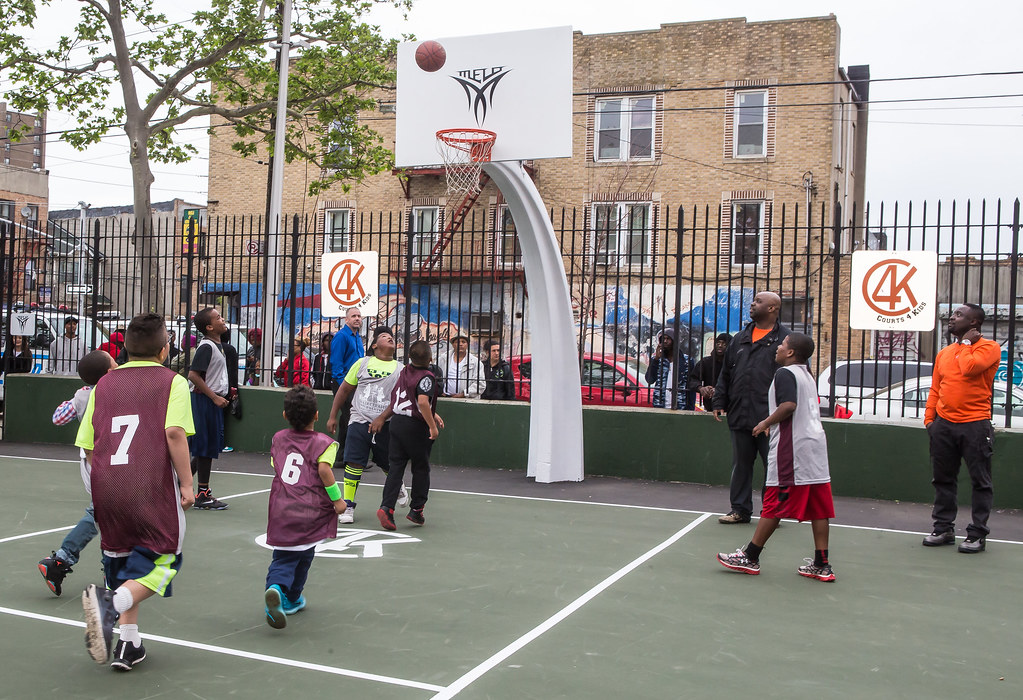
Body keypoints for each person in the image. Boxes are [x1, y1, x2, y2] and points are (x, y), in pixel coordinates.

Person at [75, 313, 195, 670]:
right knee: (166, 558)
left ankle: (129, 644)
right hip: (148, 485)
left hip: (106, 483)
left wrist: (104, 485)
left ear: (125, 347)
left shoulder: (103, 385)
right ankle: (113, 603)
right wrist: (187, 484)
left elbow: (88, 445)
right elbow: (174, 433)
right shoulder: (172, 382)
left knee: (126, 560)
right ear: (164, 349)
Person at [716, 333, 836, 581]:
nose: (778, 347)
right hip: (815, 447)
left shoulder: (785, 373)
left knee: (773, 503)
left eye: (782, 345)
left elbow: (789, 405)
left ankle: (750, 556)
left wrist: (765, 422)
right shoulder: (807, 374)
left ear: (790, 353)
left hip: (793, 449)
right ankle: (822, 564)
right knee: (819, 506)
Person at [263, 385, 346, 629]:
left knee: (284, 555)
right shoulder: (324, 443)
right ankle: (287, 594)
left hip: (282, 508)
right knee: (304, 553)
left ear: (285, 415)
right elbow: (324, 470)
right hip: (310, 511)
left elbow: (276, 466)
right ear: (317, 415)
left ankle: (279, 589)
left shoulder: (278, 439)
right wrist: (338, 500)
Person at [38, 350, 118, 596]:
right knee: (106, 515)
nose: (118, 364)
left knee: (105, 513)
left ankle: (62, 562)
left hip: (91, 461)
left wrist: (76, 399)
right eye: (115, 363)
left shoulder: (83, 395)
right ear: (107, 373)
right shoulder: (114, 393)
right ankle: (75, 564)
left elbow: (58, 418)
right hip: (103, 460)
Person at [922, 303, 1001, 553]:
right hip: (943, 425)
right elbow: (936, 388)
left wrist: (967, 344)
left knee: (980, 481)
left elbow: (969, 369)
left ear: (974, 323)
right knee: (943, 479)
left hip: (975, 425)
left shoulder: (989, 348)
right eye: (953, 314)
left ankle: (977, 534)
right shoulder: (944, 353)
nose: (951, 318)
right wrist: (929, 421)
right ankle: (943, 528)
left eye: (959, 315)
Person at [712, 291, 791, 524]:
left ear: (772, 308)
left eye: (758, 301)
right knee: (741, 464)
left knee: (773, 467)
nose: (752, 304)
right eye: (753, 300)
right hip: (740, 413)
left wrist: (775, 416)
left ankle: (772, 512)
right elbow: (725, 374)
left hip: (770, 417)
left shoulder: (785, 340)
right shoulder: (740, 337)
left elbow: (793, 376)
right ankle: (739, 509)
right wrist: (719, 401)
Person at [325, 326, 409, 524]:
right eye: (383, 336)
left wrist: (381, 418)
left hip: (385, 424)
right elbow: (344, 390)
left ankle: (397, 486)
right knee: (354, 463)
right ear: (374, 345)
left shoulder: (401, 369)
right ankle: (348, 505)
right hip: (359, 419)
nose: (389, 338)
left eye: (391, 337)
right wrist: (332, 416)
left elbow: (398, 400)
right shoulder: (362, 363)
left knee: (388, 464)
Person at [374, 340, 444, 530]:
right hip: (415, 426)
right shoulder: (428, 377)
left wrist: (432, 412)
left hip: (397, 423)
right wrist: (432, 426)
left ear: (409, 358)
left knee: (396, 466)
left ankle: (386, 507)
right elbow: (421, 402)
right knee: (420, 467)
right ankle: (417, 510)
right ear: (430, 359)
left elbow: (407, 398)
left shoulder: (404, 371)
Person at [187, 307, 230, 510]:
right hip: (203, 400)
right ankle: (202, 494)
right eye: (218, 317)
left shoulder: (217, 345)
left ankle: (179, 486)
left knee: (207, 449)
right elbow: (193, 375)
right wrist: (214, 397)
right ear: (210, 327)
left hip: (211, 400)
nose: (223, 319)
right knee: (204, 448)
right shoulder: (206, 347)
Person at [329, 308, 365, 460]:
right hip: (344, 385)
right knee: (351, 419)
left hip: (355, 384)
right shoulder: (341, 337)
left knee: (347, 419)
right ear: (346, 319)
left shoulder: (357, 337)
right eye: (354, 316)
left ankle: (342, 456)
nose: (357, 318)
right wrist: (344, 386)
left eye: (359, 316)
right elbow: (336, 364)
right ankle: (347, 456)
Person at [644, 327, 695, 410]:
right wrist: (656, 359)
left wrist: (690, 408)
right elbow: (649, 380)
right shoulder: (656, 359)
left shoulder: (687, 361)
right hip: (660, 405)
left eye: (668, 339)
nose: (665, 341)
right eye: (663, 339)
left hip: (680, 406)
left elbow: (691, 386)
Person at [689, 333, 732, 409]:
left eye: (724, 344)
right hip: (710, 406)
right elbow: (692, 379)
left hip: (730, 407)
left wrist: (720, 390)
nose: (720, 346)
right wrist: (701, 388)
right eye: (718, 343)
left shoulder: (734, 364)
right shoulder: (706, 362)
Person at [442, 332, 485, 398]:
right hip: (445, 398)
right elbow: (436, 376)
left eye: (463, 342)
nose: (460, 344)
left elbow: (480, 384)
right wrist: (440, 391)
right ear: (453, 345)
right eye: (457, 342)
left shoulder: (475, 362)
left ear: (467, 344)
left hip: (467, 400)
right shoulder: (443, 359)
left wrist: (463, 394)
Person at [221, 330, 240, 453]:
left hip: (210, 387)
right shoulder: (230, 349)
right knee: (222, 416)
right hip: (225, 386)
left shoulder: (207, 346)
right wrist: (234, 389)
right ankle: (220, 443)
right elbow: (232, 371)